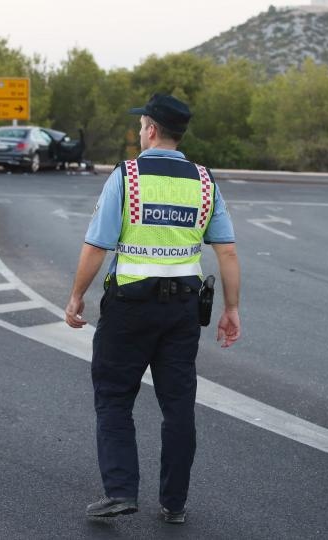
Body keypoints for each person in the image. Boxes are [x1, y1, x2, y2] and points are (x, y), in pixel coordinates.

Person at [64, 94, 241, 524]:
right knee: (178, 407)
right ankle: (174, 503)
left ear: (150, 128)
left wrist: (75, 296)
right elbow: (228, 252)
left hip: (129, 307)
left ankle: (121, 492)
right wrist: (231, 308)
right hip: (182, 309)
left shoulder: (127, 175)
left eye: (141, 124)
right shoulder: (203, 180)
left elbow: (96, 245)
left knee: (113, 398)